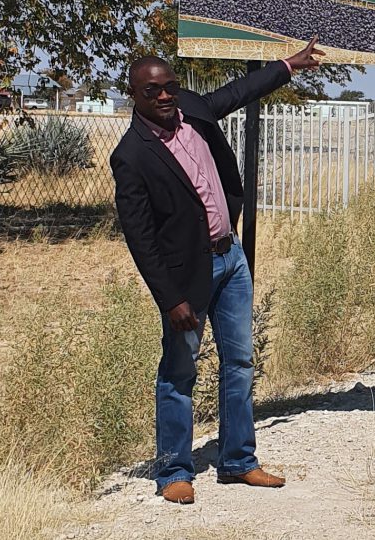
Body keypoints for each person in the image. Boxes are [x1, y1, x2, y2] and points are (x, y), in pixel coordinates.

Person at [110, 38, 324, 505]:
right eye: (153, 91)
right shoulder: (132, 155)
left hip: (232, 260)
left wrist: (288, 66)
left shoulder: (193, 112)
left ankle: (238, 461)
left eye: (170, 86)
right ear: (135, 95)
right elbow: (141, 238)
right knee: (179, 371)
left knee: (241, 363)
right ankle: (174, 471)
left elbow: (239, 91)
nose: (165, 96)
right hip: (188, 276)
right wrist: (170, 298)